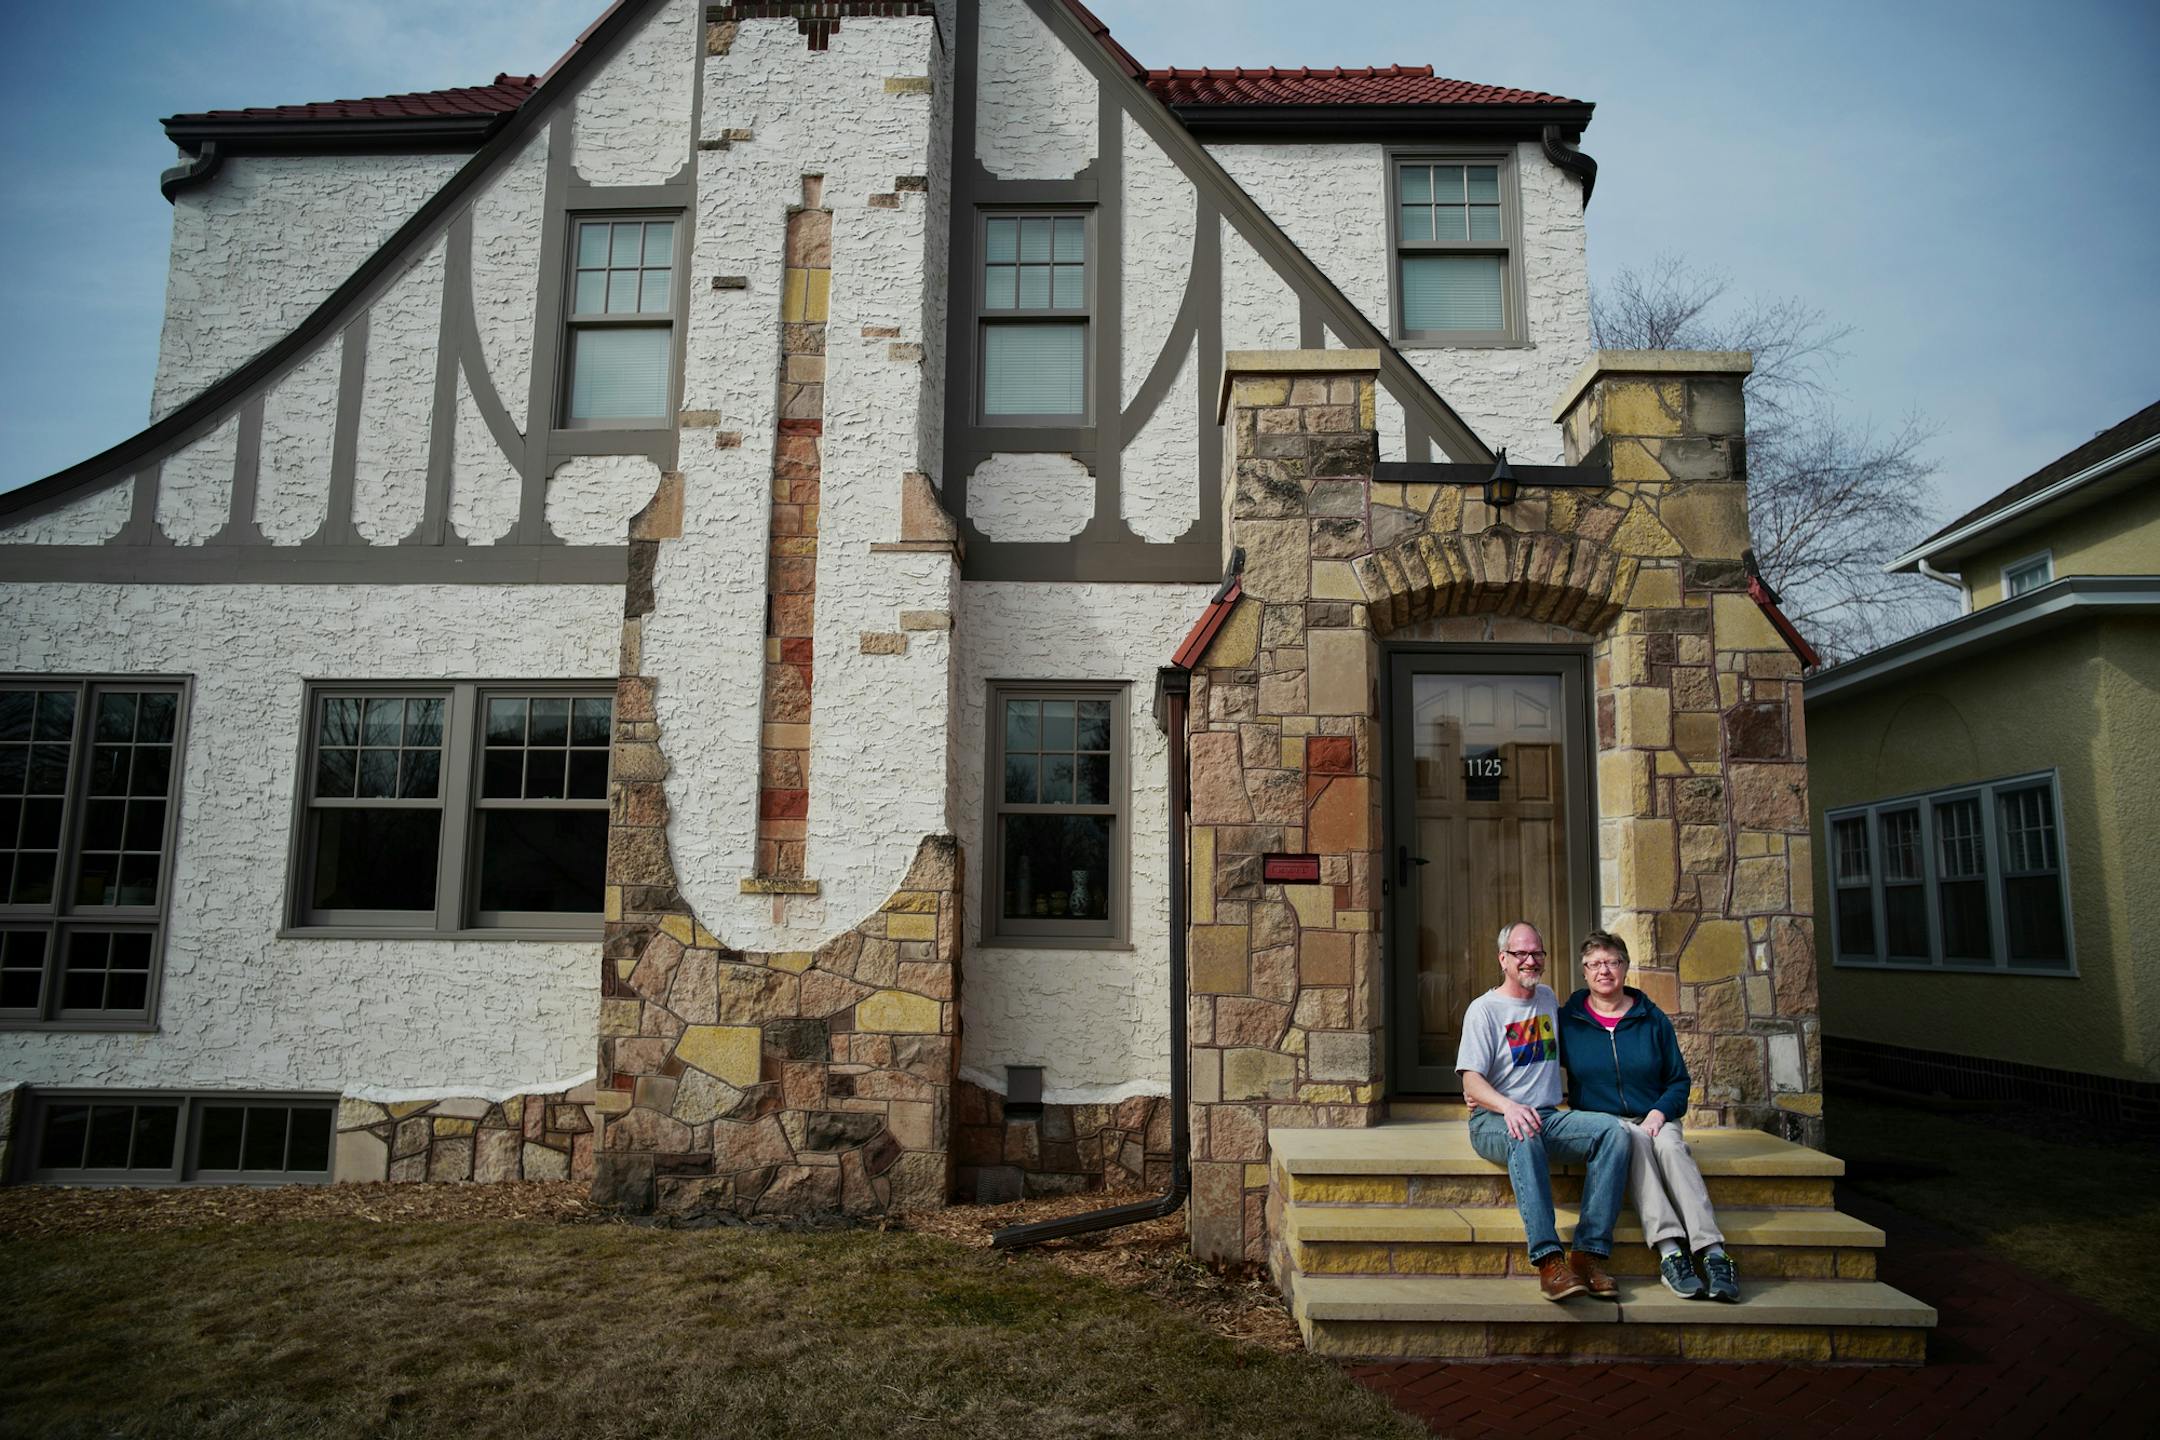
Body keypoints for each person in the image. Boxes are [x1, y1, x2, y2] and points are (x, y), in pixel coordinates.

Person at [1556, 930, 1740, 1302]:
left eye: (1611, 962)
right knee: (1633, 1141)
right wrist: (1487, 1088)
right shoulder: (1568, 1021)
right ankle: (1671, 1250)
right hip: (1605, 1124)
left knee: (1671, 1148)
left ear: (1624, 967)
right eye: (1594, 964)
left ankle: (1713, 1253)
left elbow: (1678, 1080)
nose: (1603, 970)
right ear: (1584, 972)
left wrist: (1659, 1111)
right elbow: (1533, 1061)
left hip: (1656, 1115)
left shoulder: (1651, 1018)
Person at [1457, 920, 1632, 1302]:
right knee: (1524, 1130)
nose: (1530, 960)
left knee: (1614, 1133)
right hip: (1493, 1121)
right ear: (1503, 959)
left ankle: (1587, 1255)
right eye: (1521, 953)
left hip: (1547, 1116)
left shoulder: (1548, 998)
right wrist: (1504, 1105)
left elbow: (1605, 1009)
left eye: (1537, 953)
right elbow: (1471, 1082)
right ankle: (1549, 1259)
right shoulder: (1484, 1010)